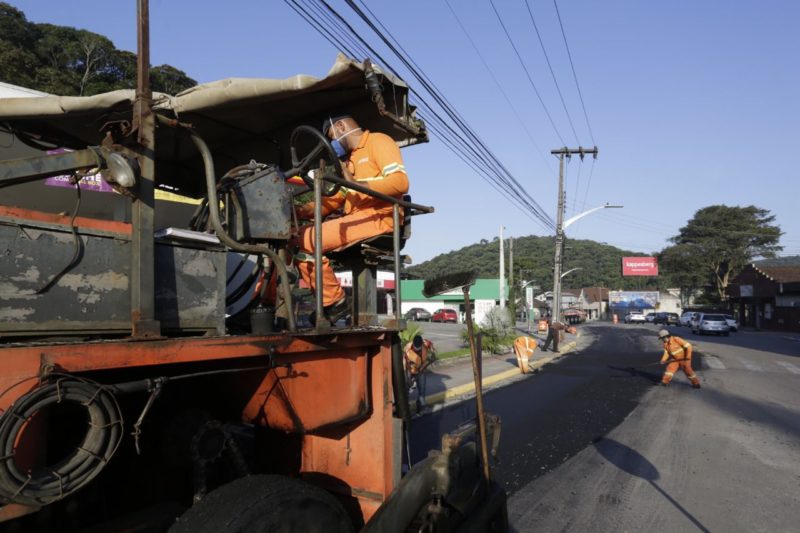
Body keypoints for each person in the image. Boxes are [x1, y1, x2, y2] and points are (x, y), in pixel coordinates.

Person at [292, 114, 409, 324]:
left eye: (331, 137)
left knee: (306, 240)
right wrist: (298, 210)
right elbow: (335, 199)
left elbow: (400, 182)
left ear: (340, 126)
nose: (332, 144)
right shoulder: (350, 161)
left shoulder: (379, 141)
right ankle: (328, 304)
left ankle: (335, 304)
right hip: (358, 219)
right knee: (294, 237)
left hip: (380, 217)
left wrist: (357, 183)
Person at [404, 335, 435, 409]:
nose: (417, 349)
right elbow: (404, 365)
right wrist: (408, 378)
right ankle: (405, 406)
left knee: (422, 388)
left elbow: (431, 347)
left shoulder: (425, 343)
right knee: (406, 388)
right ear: (413, 344)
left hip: (421, 369)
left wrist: (433, 355)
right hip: (409, 370)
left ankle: (420, 406)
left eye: (419, 348)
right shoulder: (407, 350)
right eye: (416, 348)